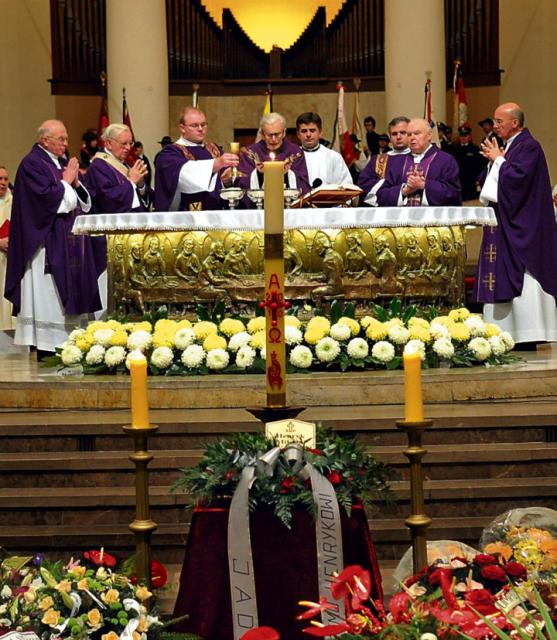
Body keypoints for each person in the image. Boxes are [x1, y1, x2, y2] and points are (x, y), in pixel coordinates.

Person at [4, 120, 106, 356]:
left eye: (66, 139)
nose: (65, 143)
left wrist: (76, 184)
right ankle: (48, 346)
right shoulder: (32, 164)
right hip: (46, 245)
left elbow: (82, 203)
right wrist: (66, 181)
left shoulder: (59, 162)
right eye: (61, 139)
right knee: (49, 296)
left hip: (69, 241)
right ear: (44, 140)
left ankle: (72, 342)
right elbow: (49, 203)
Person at [475, 102, 557, 346]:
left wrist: (498, 160)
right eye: (494, 121)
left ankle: (529, 332)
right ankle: (502, 332)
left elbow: (519, 181)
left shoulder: (529, 146)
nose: (495, 126)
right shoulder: (509, 146)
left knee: (526, 277)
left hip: (524, 225)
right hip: (504, 223)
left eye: (499, 121)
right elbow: (490, 182)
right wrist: (494, 161)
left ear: (515, 123)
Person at [154, 107, 238, 211]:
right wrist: (215, 164)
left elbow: (220, 185)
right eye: (194, 125)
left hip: (215, 212)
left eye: (203, 124)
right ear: (182, 128)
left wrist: (226, 181)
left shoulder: (215, 149)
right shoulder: (170, 153)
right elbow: (183, 176)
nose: (200, 129)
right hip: (185, 213)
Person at [376, 118, 461, 207]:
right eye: (409, 134)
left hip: (432, 215)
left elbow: (453, 194)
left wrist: (423, 185)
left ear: (429, 135)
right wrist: (404, 191)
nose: (412, 138)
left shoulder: (445, 160)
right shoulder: (398, 162)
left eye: (417, 133)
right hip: (403, 216)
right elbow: (381, 195)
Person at [237, 112, 310, 196]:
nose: (274, 139)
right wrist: (258, 174)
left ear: (284, 132)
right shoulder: (251, 153)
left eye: (277, 134)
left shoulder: (295, 152)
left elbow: (304, 185)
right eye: (269, 135)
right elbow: (242, 184)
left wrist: (287, 174)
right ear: (262, 134)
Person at [84, 124, 151, 213]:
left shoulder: (125, 163)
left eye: (130, 143)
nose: (128, 148)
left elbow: (141, 198)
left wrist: (141, 185)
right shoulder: (98, 166)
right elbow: (106, 200)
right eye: (124, 143)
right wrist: (131, 182)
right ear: (109, 143)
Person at [359, 116, 410, 205]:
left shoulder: (419, 158)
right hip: (381, 208)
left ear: (410, 134)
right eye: (394, 134)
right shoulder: (377, 160)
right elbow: (364, 185)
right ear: (390, 137)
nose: (398, 137)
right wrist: (398, 191)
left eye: (402, 133)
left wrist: (385, 186)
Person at [296, 112, 352, 187]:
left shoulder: (334, 157)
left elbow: (347, 185)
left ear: (320, 133)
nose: (308, 135)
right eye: (304, 131)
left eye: (312, 130)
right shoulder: (292, 158)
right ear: (298, 134)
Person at [450, 125, 487, 201]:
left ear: (469, 136)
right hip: (459, 181)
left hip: (471, 181)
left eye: (465, 135)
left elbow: (479, 165)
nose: (463, 137)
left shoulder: (474, 149)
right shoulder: (454, 149)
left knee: (472, 201)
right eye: (461, 135)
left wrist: (478, 179)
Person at [0, 166, 14, 331]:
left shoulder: (15, 202)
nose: (3, 183)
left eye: (5, 179)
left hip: (11, 259)